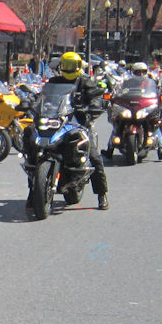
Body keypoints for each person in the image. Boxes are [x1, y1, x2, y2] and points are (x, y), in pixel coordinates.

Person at [37, 51, 109, 210]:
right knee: (35, 150)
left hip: (79, 124)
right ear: (60, 66)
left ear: (79, 66)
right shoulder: (54, 81)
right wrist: (32, 102)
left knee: (95, 158)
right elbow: (42, 95)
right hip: (56, 121)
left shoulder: (85, 82)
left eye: (72, 65)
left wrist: (93, 106)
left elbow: (95, 97)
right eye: (66, 65)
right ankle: (33, 193)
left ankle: (102, 194)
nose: (69, 68)